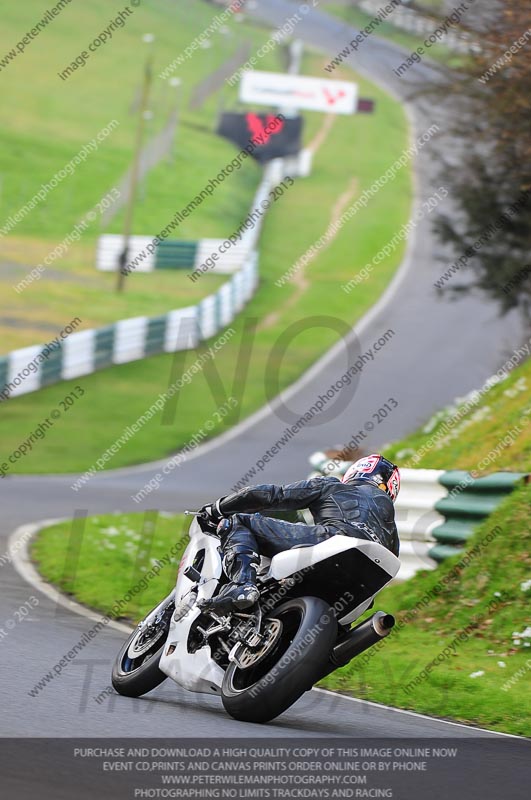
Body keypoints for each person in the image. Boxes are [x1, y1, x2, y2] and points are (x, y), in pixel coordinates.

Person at [200, 454, 400, 613]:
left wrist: (218, 508)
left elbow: (272, 495)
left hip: (332, 540)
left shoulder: (333, 485)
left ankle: (242, 585)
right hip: (362, 584)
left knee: (238, 521)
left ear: (355, 472)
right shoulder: (392, 531)